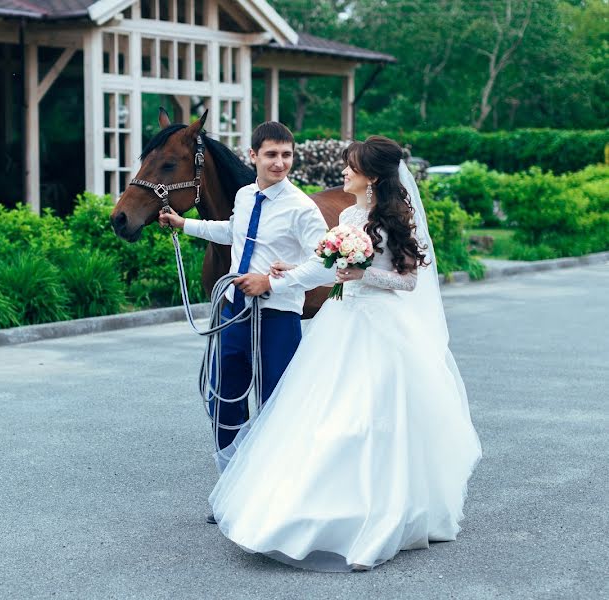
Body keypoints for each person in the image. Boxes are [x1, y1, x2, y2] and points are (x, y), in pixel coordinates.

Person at [208, 136, 482, 571]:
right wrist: (287, 272)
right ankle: (314, 506)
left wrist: (362, 274)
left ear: (370, 175)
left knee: (369, 419)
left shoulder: (393, 220)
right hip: (341, 320)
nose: (344, 173)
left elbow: (407, 282)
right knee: (322, 413)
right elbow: (324, 265)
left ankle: (380, 512)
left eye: (350, 167)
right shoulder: (351, 215)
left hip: (379, 329)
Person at [158, 122, 335, 495]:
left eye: (286, 155)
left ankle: (274, 493)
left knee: (276, 406)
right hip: (235, 313)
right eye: (271, 154)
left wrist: (271, 282)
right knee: (221, 397)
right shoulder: (243, 196)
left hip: (277, 318)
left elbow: (326, 263)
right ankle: (233, 490)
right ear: (254, 156)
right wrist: (184, 224)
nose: (280, 163)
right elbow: (233, 231)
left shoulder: (301, 209)